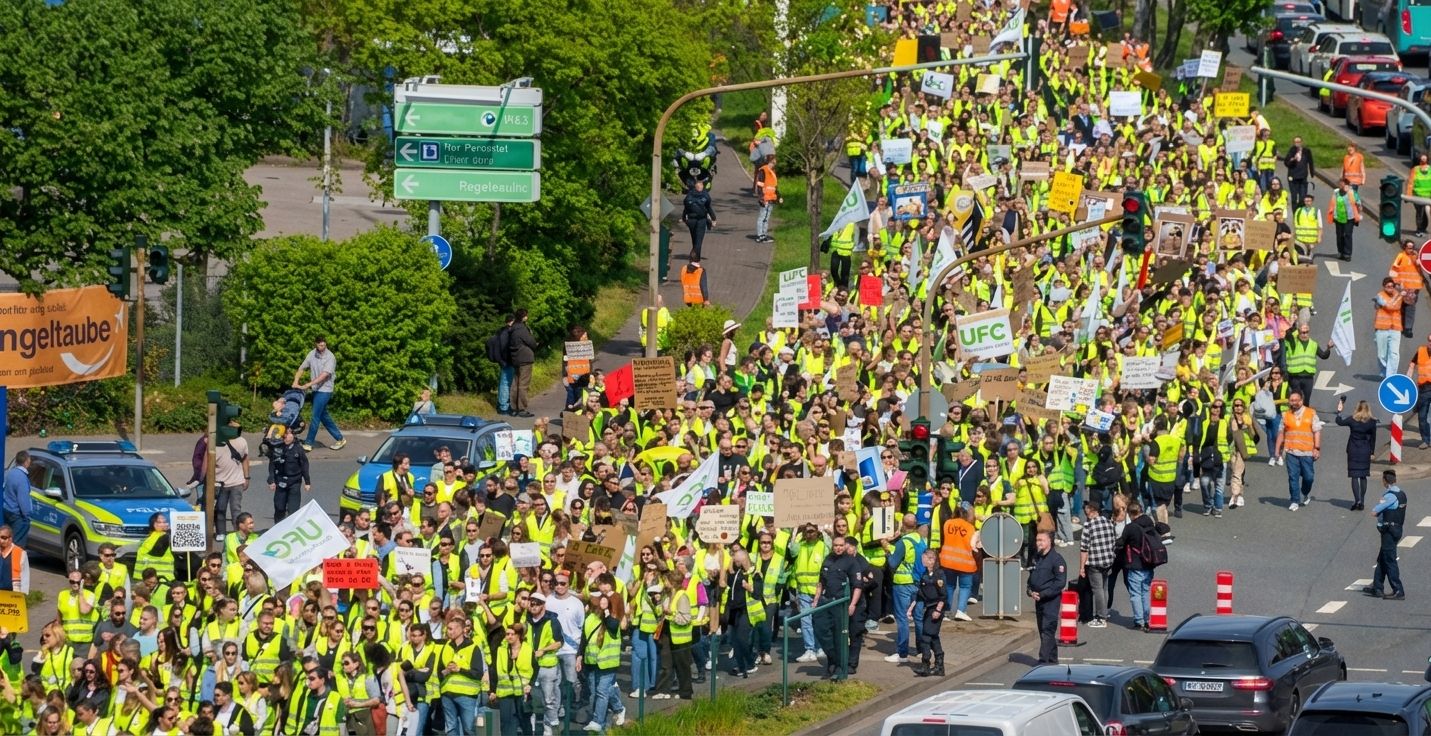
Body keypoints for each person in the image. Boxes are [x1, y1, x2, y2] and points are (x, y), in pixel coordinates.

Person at [812, 535, 861, 680]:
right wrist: (816, 599)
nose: (838, 548)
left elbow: (857, 586)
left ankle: (837, 666)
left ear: (845, 546)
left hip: (840, 603)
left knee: (839, 636)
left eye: (841, 545)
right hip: (825, 601)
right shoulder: (828, 559)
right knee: (820, 630)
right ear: (832, 546)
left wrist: (852, 604)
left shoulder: (851, 562)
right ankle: (832, 658)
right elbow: (821, 582)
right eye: (835, 545)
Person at [293, 337, 345, 452]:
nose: (322, 347)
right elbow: (302, 368)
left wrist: (308, 384)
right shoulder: (312, 354)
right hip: (316, 389)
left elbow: (324, 375)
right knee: (323, 416)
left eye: (323, 345)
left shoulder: (330, 357)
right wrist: (296, 381)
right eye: (320, 345)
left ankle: (308, 443)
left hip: (325, 390)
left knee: (315, 416)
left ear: (326, 344)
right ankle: (340, 439)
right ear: (316, 344)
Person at [1274, 391, 1322, 511]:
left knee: (1309, 477)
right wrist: (1277, 450)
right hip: (1291, 452)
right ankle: (1294, 500)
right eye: (1291, 400)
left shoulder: (1311, 413)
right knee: (1293, 477)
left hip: (1307, 452)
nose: (1294, 403)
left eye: (1296, 400)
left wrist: (1317, 448)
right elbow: (1281, 433)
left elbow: (1317, 431)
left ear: (1301, 400)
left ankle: (1305, 492)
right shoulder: (1286, 415)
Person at [1364, 469, 1407, 600]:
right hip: (1397, 529)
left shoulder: (1389, 496)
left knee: (1389, 560)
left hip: (1389, 530)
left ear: (1385, 481)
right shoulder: (1402, 494)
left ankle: (1398, 590)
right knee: (1383, 558)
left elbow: (1374, 511)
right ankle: (1377, 587)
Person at [1115, 502, 1158, 632]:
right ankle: (1147, 619)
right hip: (1149, 564)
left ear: (1130, 514)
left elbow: (1121, 542)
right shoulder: (1149, 522)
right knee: (1145, 591)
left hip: (1135, 564)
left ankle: (1139, 620)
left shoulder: (1131, 527)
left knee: (1135, 594)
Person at [1026, 531, 1067, 665]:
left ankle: (1043, 661)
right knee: (1042, 631)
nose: (1039, 543)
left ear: (1050, 541)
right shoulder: (1036, 558)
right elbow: (1031, 577)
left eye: (1042, 540)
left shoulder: (1057, 560)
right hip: (1038, 601)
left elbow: (1060, 583)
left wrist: (1043, 594)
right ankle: (1053, 660)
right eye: (1037, 540)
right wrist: (1030, 591)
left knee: (1047, 629)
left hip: (1051, 601)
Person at [1334, 397, 1378, 510]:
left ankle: (1357, 500)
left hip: (1353, 449)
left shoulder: (1352, 420)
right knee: (1363, 476)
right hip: (1365, 450)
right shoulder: (1372, 422)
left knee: (1354, 476)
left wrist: (1339, 411)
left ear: (1357, 408)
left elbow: (1339, 421)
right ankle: (1362, 501)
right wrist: (1372, 452)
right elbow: (1373, 438)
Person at [1078, 502, 1115, 628]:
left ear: (1092, 512)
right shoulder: (1108, 522)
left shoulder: (1088, 526)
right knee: (1104, 588)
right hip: (1108, 561)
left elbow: (1084, 549)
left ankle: (1101, 617)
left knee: (1097, 589)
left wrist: (1082, 567)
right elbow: (1113, 541)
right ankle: (1104, 612)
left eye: (1087, 513)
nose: (1086, 516)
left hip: (1094, 562)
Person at [212, 418, 250, 541]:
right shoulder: (216, 444)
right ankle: (221, 532)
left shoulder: (241, 442)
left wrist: (246, 477)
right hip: (220, 482)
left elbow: (245, 459)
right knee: (220, 508)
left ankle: (237, 532)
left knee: (235, 510)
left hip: (237, 481)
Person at [911, 547, 946, 677]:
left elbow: (943, 595)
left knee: (926, 636)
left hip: (936, 608)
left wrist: (938, 610)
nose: (922, 561)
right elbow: (921, 594)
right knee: (933, 637)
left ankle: (925, 664)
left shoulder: (939, 575)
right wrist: (910, 609)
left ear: (931, 559)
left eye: (924, 558)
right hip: (929, 608)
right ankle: (939, 666)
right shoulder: (925, 574)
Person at [266, 429, 310, 523]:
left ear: (293, 435)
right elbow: (272, 465)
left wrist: (307, 482)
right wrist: (271, 480)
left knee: (293, 510)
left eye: (288, 434)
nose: (286, 436)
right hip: (280, 481)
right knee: (279, 507)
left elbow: (304, 465)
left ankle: (291, 529)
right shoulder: (277, 448)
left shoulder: (298, 448)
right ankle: (278, 528)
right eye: (284, 434)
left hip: (294, 482)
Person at [1282, 322, 1330, 404]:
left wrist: (1328, 348)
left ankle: (1305, 416)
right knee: (1296, 400)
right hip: (1295, 377)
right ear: (1298, 332)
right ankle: (1296, 416)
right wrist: (1291, 322)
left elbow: (1323, 356)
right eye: (1302, 332)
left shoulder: (1313, 344)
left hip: (1308, 377)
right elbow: (1288, 334)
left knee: (1306, 400)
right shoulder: (1293, 342)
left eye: (1306, 332)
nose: (1305, 334)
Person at [507, 309, 538, 419]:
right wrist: (535, 345)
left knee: (515, 383)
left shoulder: (512, 329)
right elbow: (531, 342)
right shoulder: (522, 329)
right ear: (524, 317)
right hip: (525, 358)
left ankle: (513, 407)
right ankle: (522, 408)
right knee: (523, 384)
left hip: (515, 359)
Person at [1390, 240, 1423, 338]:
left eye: (1412, 247)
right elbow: (1394, 269)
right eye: (1409, 247)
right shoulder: (1401, 256)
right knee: (1400, 307)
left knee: (1410, 308)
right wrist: (1395, 283)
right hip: (1401, 287)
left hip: (1413, 287)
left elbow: (1423, 265)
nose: (1411, 249)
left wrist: (1418, 258)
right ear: (1404, 247)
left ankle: (1408, 328)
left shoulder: (1416, 258)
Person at [1374, 277, 1405, 379]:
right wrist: (1378, 303)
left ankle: (1390, 376)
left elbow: (1395, 306)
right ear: (1384, 287)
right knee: (1381, 355)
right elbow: (1383, 306)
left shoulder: (1398, 295)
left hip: (1395, 329)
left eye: (1392, 286)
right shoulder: (1380, 295)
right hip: (1381, 329)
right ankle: (1385, 371)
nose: (1390, 289)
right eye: (1388, 287)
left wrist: (1383, 303)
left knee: (1394, 354)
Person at [486, 315, 515, 416]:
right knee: (505, 384)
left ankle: (503, 404)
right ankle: (503, 407)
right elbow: (504, 349)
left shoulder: (501, 332)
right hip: (506, 362)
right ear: (511, 322)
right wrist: (505, 360)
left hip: (504, 361)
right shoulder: (506, 333)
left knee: (505, 383)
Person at [681, 178, 717, 260]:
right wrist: (713, 218)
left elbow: (686, 208)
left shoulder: (689, 196)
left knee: (694, 238)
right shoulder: (705, 195)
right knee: (699, 240)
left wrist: (683, 218)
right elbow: (709, 208)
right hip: (701, 220)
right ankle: (695, 258)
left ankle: (696, 256)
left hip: (690, 220)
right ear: (702, 186)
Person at [1, 451, 31, 548]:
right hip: (18, 515)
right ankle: (13, 562)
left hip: (7, 510)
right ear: (26, 462)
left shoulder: (10, 473)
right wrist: (27, 517)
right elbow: (23, 500)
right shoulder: (22, 478)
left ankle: (6, 561)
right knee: (17, 545)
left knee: (7, 542)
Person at [1327, 178, 1360, 261]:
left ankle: (1347, 254)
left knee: (1347, 235)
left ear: (1346, 185)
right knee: (1339, 235)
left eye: (1342, 184)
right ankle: (1340, 252)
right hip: (1338, 217)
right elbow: (1333, 203)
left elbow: (1358, 203)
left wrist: (1358, 213)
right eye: (1339, 184)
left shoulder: (1352, 192)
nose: (1340, 185)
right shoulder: (1336, 193)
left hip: (1349, 217)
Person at [753, 154, 781, 242]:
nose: (775, 162)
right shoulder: (763, 171)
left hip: (771, 198)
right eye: (774, 161)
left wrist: (779, 197)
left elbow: (774, 186)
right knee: (762, 217)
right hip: (765, 198)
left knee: (766, 218)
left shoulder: (772, 171)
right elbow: (760, 185)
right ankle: (760, 236)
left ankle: (764, 235)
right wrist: (761, 198)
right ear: (770, 161)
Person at [1283, 136, 1314, 205]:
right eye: (1295, 142)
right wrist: (1293, 159)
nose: (1297, 144)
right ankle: (1295, 213)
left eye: (1299, 142)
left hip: (1302, 177)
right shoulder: (1291, 151)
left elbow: (1311, 162)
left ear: (1302, 142)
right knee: (1294, 198)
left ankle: (1301, 211)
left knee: (1302, 197)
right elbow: (1286, 163)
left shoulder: (1306, 151)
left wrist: (1312, 173)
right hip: (1293, 177)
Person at [1408, 153, 1431, 236]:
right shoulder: (1415, 170)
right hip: (1417, 196)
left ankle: (1423, 228)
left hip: (1428, 196)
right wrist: (1409, 196)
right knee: (1420, 212)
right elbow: (1410, 183)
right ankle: (1419, 229)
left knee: (1425, 213)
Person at [0, 525, 28, 593]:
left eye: (3, 537)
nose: (1, 540)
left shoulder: (20, 553)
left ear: (10, 538)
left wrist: (22, 595)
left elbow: (25, 577)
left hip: (12, 593)